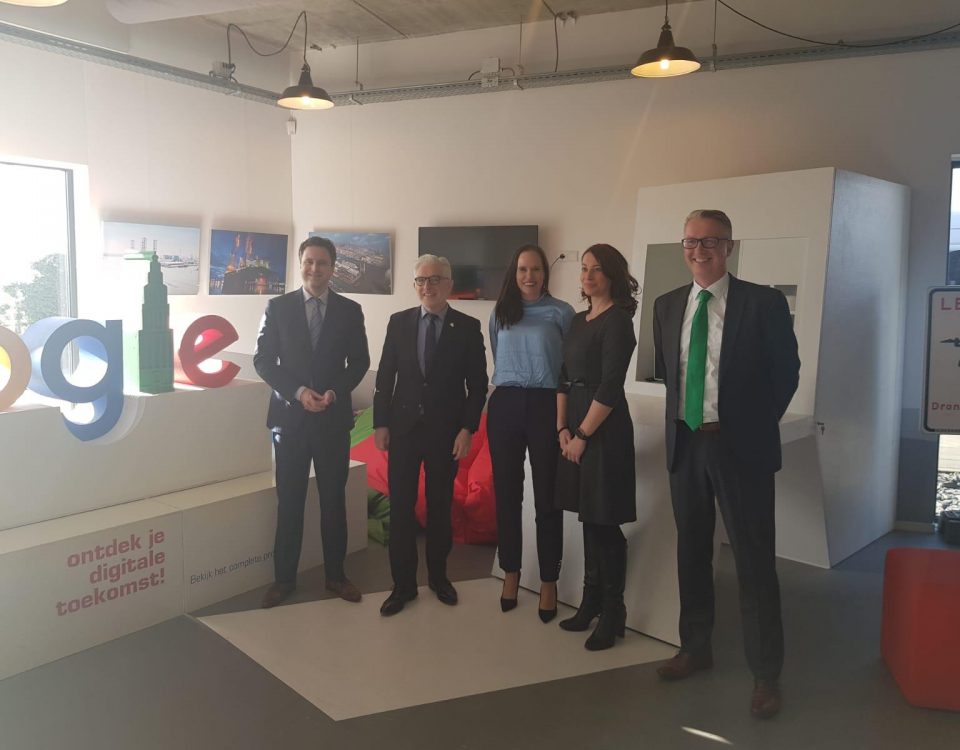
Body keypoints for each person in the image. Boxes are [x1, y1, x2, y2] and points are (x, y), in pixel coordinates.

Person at [652, 210, 800, 719]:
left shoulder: (763, 303)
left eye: (710, 241)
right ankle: (695, 647)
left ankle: (766, 674)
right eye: (691, 241)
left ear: (729, 247)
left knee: (754, 561)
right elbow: (670, 373)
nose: (699, 250)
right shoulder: (667, 305)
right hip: (685, 444)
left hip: (740, 448)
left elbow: (786, 372)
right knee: (692, 552)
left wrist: (752, 424)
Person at [254, 236, 370, 608]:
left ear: (333, 268)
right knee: (290, 502)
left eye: (321, 263)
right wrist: (299, 392)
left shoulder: (350, 311)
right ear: (300, 264)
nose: (314, 269)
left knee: (334, 501)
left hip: (332, 420)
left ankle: (336, 576)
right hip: (290, 421)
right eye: (308, 262)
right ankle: (284, 580)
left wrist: (334, 392)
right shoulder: (278, 307)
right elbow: (263, 361)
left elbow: (360, 362)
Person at [373, 254, 488, 616]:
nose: (428, 286)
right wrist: (380, 424)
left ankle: (439, 578)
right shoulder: (399, 322)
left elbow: (478, 386)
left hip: (446, 434)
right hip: (403, 432)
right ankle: (403, 586)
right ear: (415, 285)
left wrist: (467, 429)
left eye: (435, 279)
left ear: (449, 284)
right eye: (421, 280)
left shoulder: (467, 327)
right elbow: (385, 378)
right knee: (402, 509)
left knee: (440, 509)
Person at [555, 244, 638, 651]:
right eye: (584, 269)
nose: (588, 276)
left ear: (613, 275)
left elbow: (610, 386)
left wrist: (583, 435)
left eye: (597, 269)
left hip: (603, 428)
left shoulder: (618, 321)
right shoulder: (577, 320)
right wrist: (562, 428)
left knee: (605, 520)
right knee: (588, 516)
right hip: (574, 422)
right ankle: (590, 602)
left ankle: (613, 610)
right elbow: (563, 377)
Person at [488, 245, 575, 621]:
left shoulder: (562, 313)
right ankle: (511, 572)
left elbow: (569, 366)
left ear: (545, 273)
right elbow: (498, 354)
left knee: (547, 498)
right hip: (505, 403)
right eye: (523, 269)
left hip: (546, 404)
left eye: (536, 269)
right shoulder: (500, 312)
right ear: (514, 272)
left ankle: (548, 581)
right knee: (507, 495)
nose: (529, 276)